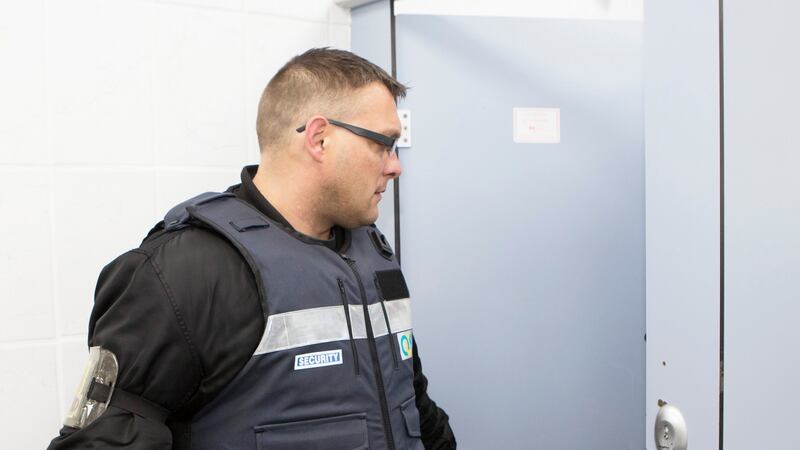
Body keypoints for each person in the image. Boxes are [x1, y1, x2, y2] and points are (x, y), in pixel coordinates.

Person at [48, 48, 456, 450]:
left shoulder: (372, 256)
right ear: (319, 138)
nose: (395, 165)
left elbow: (413, 404)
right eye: (383, 143)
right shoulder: (189, 270)